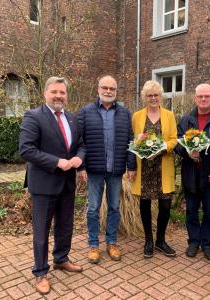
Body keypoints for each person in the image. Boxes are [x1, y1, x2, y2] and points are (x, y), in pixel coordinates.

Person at [19, 77, 84, 295]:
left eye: (62, 92)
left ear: (66, 95)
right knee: (41, 231)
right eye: (54, 92)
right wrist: (57, 162)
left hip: (67, 183)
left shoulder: (72, 118)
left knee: (65, 225)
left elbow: (81, 145)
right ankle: (40, 272)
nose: (58, 96)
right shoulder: (33, 116)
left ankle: (61, 259)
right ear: (45, 93)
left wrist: (78, 158)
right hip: (44, 184)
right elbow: (26, 150)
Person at [77, 75, 136, 264]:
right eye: (105, 87)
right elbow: (80, 141)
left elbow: (131, 141)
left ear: (116, 91)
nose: (108, 91)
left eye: (112, 88)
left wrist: (131, 165)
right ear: (98, 89)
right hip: (94, 170)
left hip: (116, 170)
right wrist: (81, 166)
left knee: (114, 208)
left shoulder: (125, 114)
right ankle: (93, 245)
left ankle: (112, 243)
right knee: (93, 209)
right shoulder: (86, 112)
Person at [175, 83, 210, 260]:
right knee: (191, 210)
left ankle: (207, 244)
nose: (204, 99)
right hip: (191, 173)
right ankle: (193, 242)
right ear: (195, 98)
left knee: (209, 212)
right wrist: (186, 152)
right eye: (200, 96)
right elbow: (177, 144)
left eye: (207, 96)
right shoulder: (185, 120)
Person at [131, 80, 177, 258]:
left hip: (162, 166)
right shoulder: (137, 116)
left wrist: (161, 148)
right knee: (145, 205)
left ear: (160, 96)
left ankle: (161, 240)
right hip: (145, 169)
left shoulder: (169, 115)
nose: (153, 98)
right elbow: (134, 141)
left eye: (156, 95)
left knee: (165, 206)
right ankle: (148, 241)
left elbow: (174, 139)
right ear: (145, 97)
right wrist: (140, 145)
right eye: (149, 95)